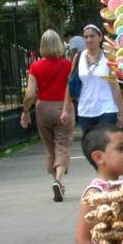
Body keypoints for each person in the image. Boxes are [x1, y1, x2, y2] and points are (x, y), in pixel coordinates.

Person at [20, 30, 75, 202]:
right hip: (63, 107)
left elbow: (30, 94)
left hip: (42, 107)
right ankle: (59, 180)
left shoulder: (35, 67)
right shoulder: (67, 65)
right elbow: (72, 89)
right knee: (63, 145)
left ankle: (56, 182)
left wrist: (25, 111)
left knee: (49, 147)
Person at [74, 24, 123, 136]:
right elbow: (71, 82)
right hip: (85, 110)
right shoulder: (78, 57)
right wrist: (66, 109)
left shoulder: (108, 57)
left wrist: (121, 112)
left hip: (106, 109)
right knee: (91, 147)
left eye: (92, 36)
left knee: (106, 145)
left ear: (100, 37)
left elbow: (114, 86)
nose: (89, 39)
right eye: (86, 37)